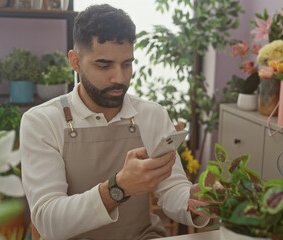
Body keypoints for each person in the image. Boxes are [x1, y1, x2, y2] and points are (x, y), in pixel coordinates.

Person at [20, 4, 210, 240]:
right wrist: (117, 188)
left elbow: (171, 189)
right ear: (76, 62)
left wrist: (195, 200)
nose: (120, 78)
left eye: (127, 64)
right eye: (104, 65)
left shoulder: (153, 115)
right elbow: (48, 221)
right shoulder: (42, 122)